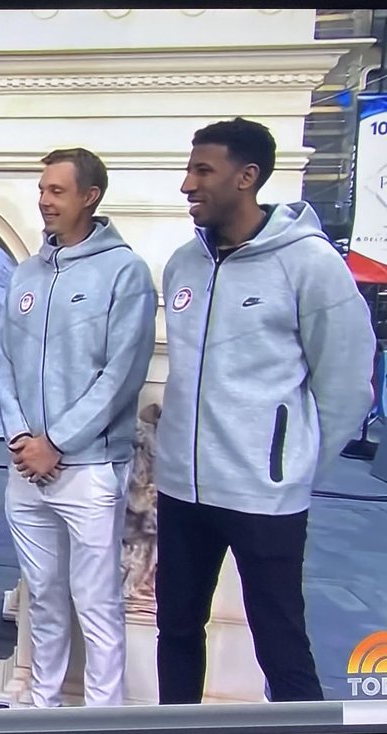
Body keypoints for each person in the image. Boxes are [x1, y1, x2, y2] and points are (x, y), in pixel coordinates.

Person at [156, 118, 375, 703]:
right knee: (175, 631)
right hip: (182, 490)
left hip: (265, 496)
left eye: (203, 170)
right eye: (189, 168)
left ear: (247, 177)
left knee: (281, 644)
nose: (187, 184)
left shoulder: (308, 264)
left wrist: (293, 465)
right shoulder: (184, 263)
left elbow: (349, 382)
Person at [0, 148, 157, 708]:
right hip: (25, 469)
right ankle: (42, 711)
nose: (44, 200)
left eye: (57, 191)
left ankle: (103, 723)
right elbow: (4, 363)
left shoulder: (124, 272)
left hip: (88, 471)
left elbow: (122, 373)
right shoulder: (25, 273)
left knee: (97, 604)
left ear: (90, 197)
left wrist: (57, 443)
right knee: (42, 597)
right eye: (42, 189)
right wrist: (21, 439)